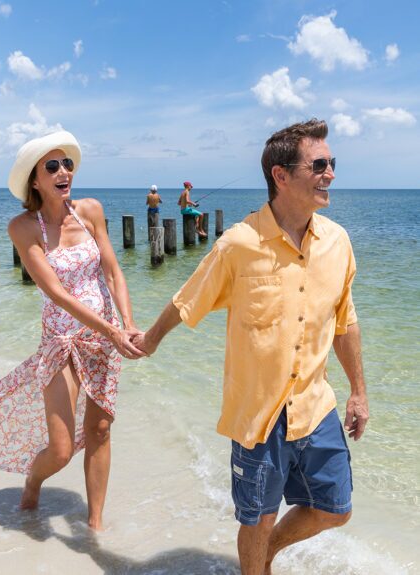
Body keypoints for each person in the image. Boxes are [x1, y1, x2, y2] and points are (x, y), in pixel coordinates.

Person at [135, 119, 369, 574]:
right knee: (257, 520)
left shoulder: (338, 242)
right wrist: (149, 340)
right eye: (319, 164)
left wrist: (358, 391)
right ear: (281, 176)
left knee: (336, 508)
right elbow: (188, 299)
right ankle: (257, 562)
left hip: (316, 407)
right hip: (258, 413)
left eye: (332, 163)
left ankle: (269, 553)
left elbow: (346, 324)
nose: (331, 174)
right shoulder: (239, 243)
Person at [0, 131, 145, 530]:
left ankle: (95, 525)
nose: (64, 172)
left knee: (101, 430)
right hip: (61, 342)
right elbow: (55, 292)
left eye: (67, 164)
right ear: (35, 180)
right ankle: (33, 479)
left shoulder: (90, 210)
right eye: (52, 166)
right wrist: (114, 331)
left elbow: (111, 269)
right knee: (60, 449)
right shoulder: (23, 227)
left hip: (104, 338)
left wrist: (128, 323)